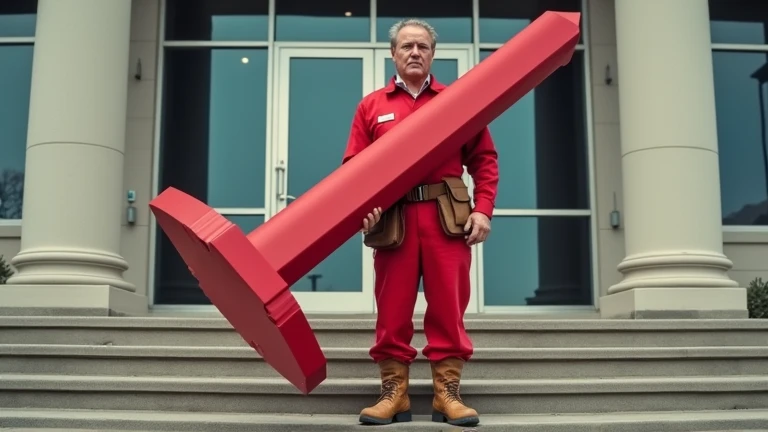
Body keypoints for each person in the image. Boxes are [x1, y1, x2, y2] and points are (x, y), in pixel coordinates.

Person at [341, 18, 499, 427]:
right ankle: (394, 395)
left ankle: (448, 395)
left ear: (433, 54)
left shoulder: (459, 101)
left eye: (423, 47)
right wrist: (364, 207)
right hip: (393, 222)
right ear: (393, 54)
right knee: (392, 311)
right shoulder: (372, 106)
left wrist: (482, 208)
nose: (415, 52)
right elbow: (353, 167)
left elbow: (484, 160)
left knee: (449, 308)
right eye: (407, 46)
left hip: (447, 220)